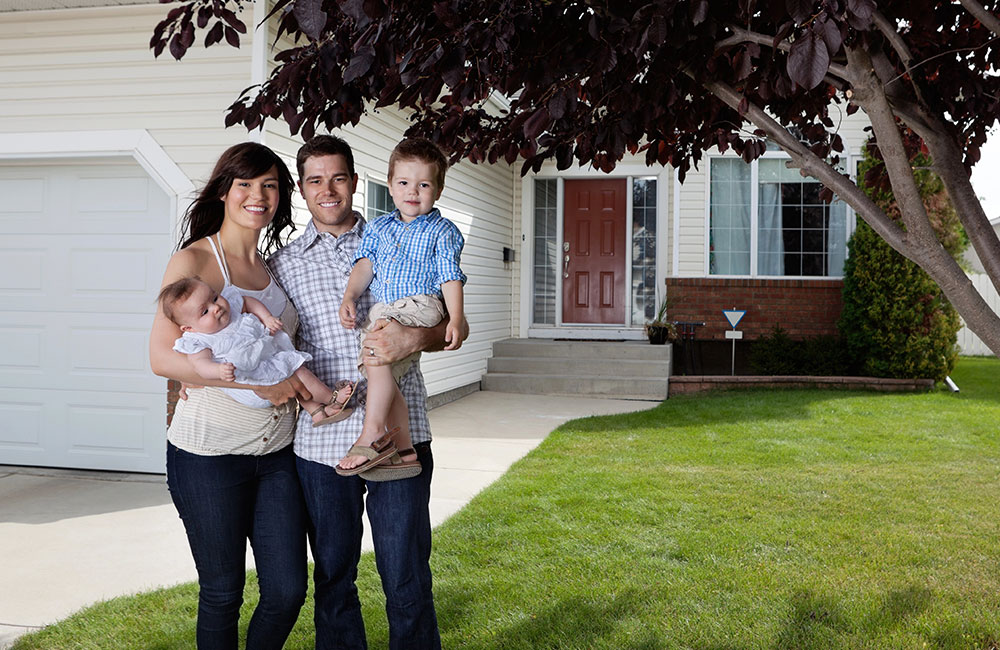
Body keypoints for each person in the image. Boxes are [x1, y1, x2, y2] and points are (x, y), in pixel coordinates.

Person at [268, 134, 467, 649]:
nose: (327, 190)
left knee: (405, 578)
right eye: (315, 180)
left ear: (355, 183)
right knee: (334, 578)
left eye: (338, 178)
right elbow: (275, 349)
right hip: (321, 450)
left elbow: (447, 327)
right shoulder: (283, 266)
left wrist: (413, 336)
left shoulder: (401, 233)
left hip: (402, 435)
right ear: (301, 187)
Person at [149, 142, 308, 650]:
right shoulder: (194, 260)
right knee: (222, 593)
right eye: (245, 184)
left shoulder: (273, 268)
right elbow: (162, 358)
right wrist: (255, 384)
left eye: (270, 185)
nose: (258, 196)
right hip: (208, 456)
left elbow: (275, 347)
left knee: (286, 590)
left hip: (277, 454)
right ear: (224, 190)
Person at [337, 137, 467, 480]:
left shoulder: (442, 230)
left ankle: (372, 433)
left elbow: (450, 276)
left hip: (420, 304)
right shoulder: (379, 228)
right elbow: (366, 265)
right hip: (385, 308)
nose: (413, 191)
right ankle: (405, 448)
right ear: (391, 187)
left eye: (424, 184)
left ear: (438, 190)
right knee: (379, 368)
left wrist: (456, 316)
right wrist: (350, 296)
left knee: (377, 353)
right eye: (404, 183)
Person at [159, 276, 354, 425]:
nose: (216, 307)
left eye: (215, 298)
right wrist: (218, 371)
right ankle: (332, 398)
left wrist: (266, 317)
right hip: (251, 383)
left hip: (266, 361)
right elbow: (200, 366)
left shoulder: (231, 308)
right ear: (189, 328)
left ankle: (317, 413)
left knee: (295, 377)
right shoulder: (199, 339)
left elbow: (248, 302)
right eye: (204, 312)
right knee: (298, 373)